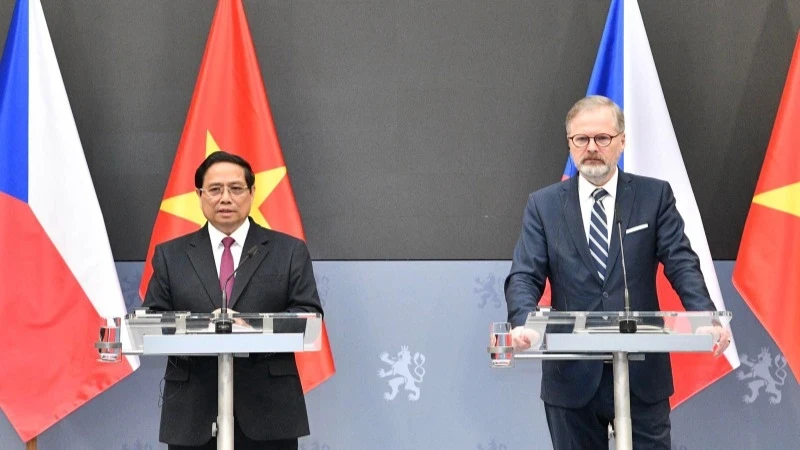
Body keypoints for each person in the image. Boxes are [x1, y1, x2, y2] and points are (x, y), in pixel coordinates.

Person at [504, 95, 731, 450]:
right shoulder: (544, 205)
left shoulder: (653, 196)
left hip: (642, 374)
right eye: (582, 139)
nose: (591, 148)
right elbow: (525, 274)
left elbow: (681, 261)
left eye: (602, 138)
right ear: (570, 143)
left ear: (622, 141)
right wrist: (522, 321)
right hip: (572, 376)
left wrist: (705, 316)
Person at [143, 151, 323, 450]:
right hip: (193, 411)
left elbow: (309, 314)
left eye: (236, 188)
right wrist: (202, 325)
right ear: (199, 195)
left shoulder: (288, 251)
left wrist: (249, 326)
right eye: (215, 189)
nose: (225, 198)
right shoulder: (170, 255)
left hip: (268, 411)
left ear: (252, 193)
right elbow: (151, 319)